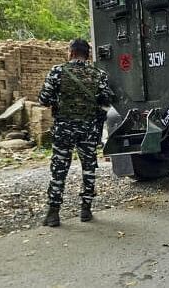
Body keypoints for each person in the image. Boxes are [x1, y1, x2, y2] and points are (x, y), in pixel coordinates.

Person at [39, 39, 114, 227]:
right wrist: (97, 123)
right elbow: (106, 102)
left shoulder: (57, 71)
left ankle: (53, 213)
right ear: (87, 56)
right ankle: (86, 210)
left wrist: (58, 99)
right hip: (88, 131)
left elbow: (44, 100)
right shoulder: (99, 75)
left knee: (59, 169)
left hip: (64, 129)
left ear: (71, 53)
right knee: (88, 169)